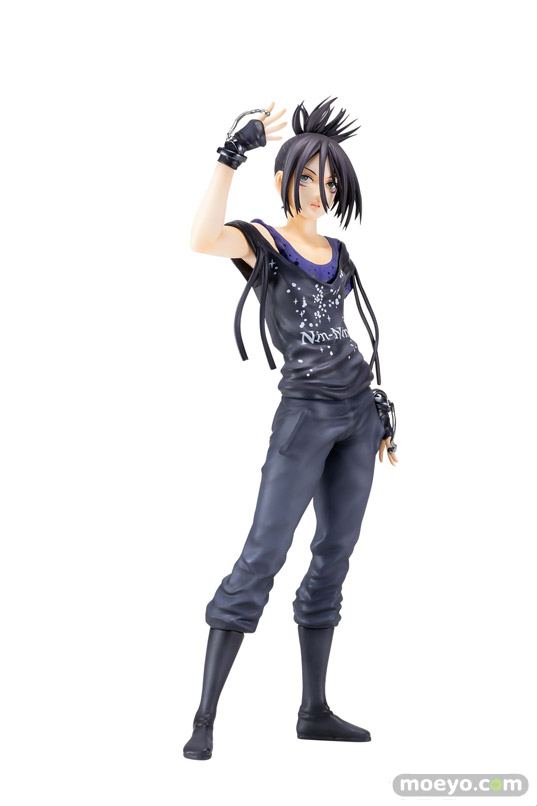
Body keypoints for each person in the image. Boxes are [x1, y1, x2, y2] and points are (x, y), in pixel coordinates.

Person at [183, 98, 398, 761]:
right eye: (307, 178)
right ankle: (204, 719)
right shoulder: (263, 243)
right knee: (262, 556)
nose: (318, 191)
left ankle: (314, 711)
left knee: (334, 555)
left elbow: (347, 331)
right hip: (303, 417)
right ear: (283, 179)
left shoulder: (338, 251)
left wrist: (380, 410)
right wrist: (230, 155)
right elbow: (201, 239)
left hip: (357, 416)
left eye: (329, 181)